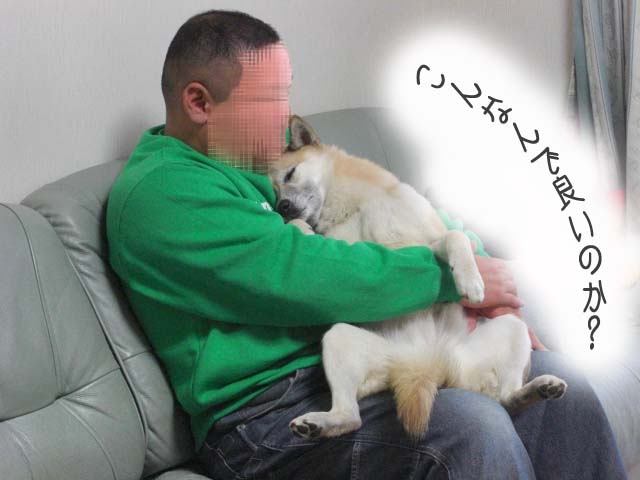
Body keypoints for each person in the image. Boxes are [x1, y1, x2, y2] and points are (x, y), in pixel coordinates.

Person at [105, 9, 628, 479]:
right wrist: (445, 278)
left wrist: (482, 276)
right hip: (264, 416)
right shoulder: (162, 193)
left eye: (286, 92)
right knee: (471, 428)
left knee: (567, 394)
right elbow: (302, 274)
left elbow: (409, 209)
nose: (286, 113)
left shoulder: (255, 162)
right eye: (269, 99)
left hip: (371, 358)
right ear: (199, 102)